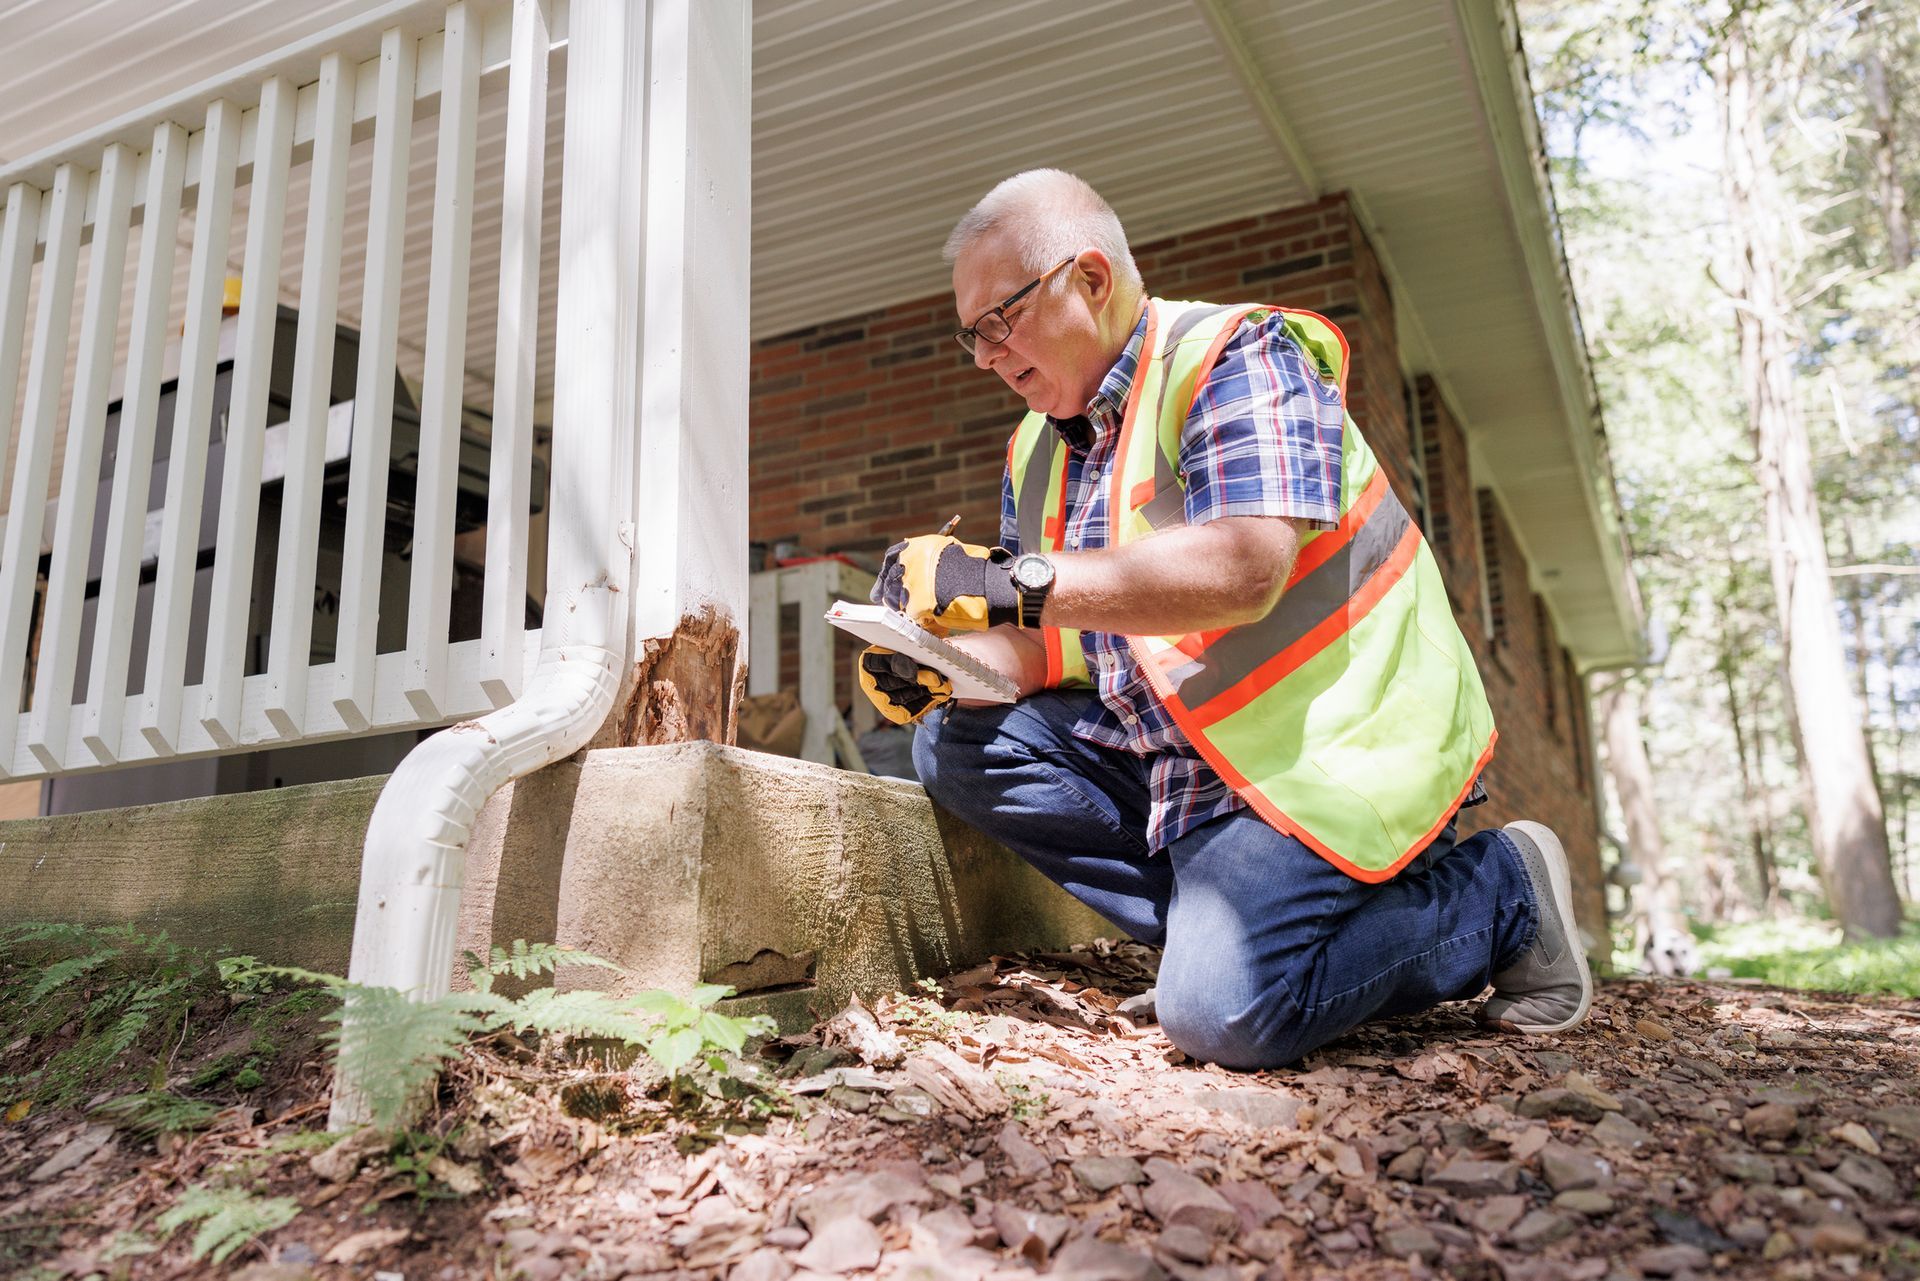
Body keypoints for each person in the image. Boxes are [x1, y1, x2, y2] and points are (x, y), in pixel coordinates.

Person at [857, 169, 1591, 1069]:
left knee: (1222, 1016)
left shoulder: (1239, 355)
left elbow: (1246, 569)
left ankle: (1503, 891)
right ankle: (1222, 943)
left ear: (1089, 278)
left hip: (1328, 750)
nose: (984, 354)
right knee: (954, 743)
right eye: (970, 334)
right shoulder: (1034, 446)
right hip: (1190, 764)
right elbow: (1060, 636)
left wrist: (1004, 580)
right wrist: (943, 662)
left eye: (998, 320)